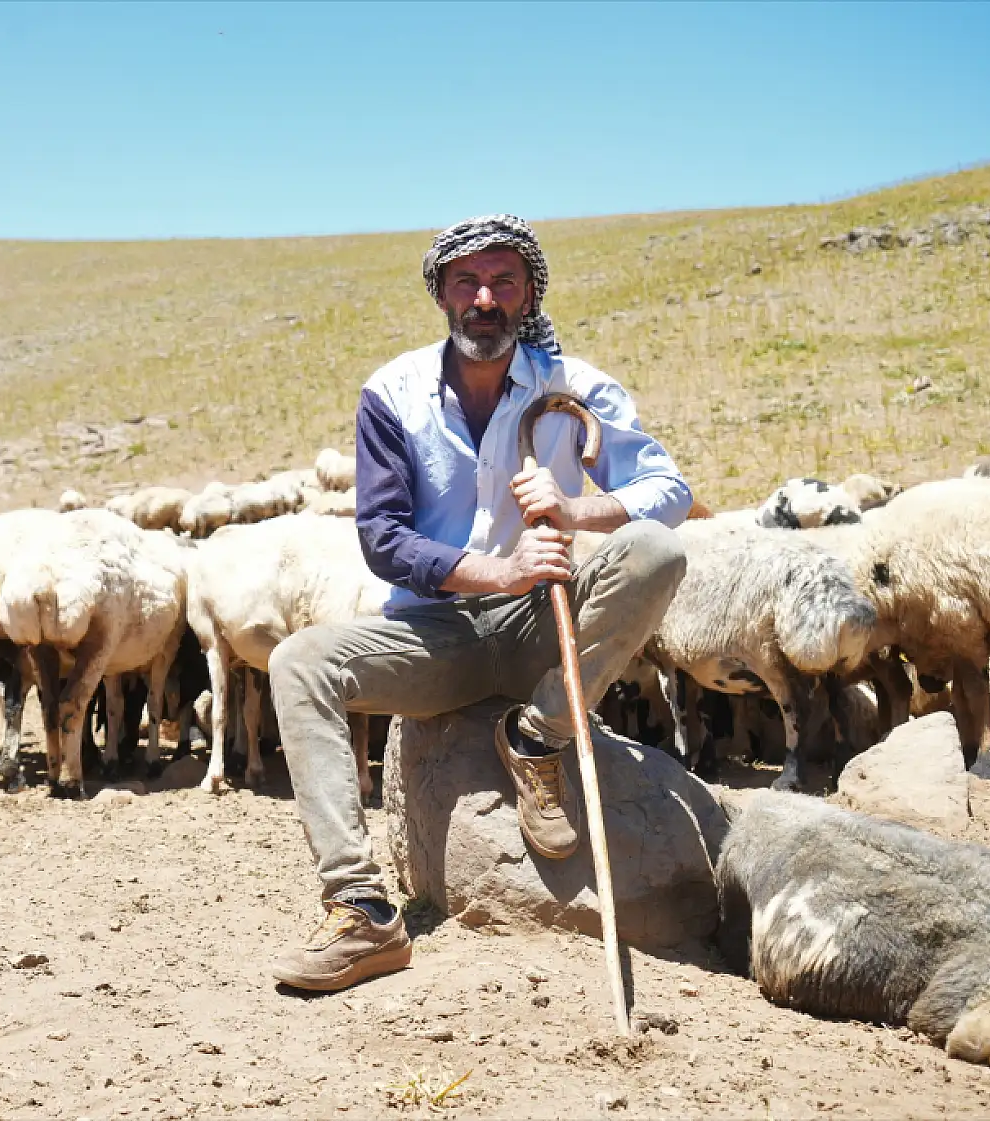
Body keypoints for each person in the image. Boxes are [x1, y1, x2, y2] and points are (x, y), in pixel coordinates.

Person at [266, 215, 693, 992]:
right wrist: (496, 570)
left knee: (658, 550)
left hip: (542, 620)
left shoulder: (574, 388)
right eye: (467, 282)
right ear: (442, 297)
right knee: (299, 662)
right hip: (438, 629)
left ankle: (538, 736)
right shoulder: (392, 394)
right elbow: (384, 539)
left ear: (528, 292)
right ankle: (362, 909)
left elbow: (670, 490)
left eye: (503, 281)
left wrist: (576, 509)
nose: (485, 299)